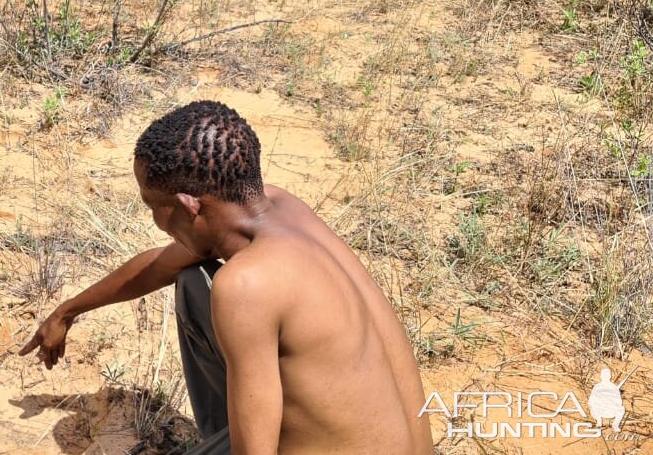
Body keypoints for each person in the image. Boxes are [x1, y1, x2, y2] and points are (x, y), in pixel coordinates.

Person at [21, 101, 432, 454]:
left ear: (187, 206)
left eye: (153, 206)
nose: (154, 220)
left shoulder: (247, 286)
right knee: (192, 281)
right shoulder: (284, 210)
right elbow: (158, 267)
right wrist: (67, 312)